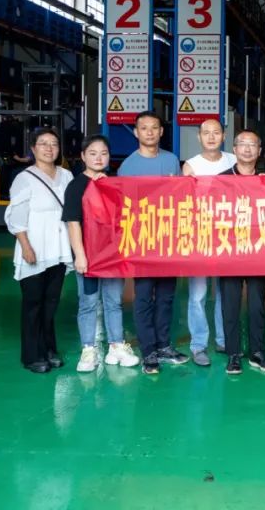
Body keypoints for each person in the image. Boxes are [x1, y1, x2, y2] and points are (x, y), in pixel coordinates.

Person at [62, 134, 140, 373]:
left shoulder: (114, 184)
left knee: (114, 301)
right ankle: (89, 350)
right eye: (93, 153)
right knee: (88, 303)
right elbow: (73, 223)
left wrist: (107, 187)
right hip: (89, 258)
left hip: (112, 256)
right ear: (83, 156)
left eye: (103, 153)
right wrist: (80, 255)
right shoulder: (76, 186)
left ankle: (116, 346)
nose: (98, 158)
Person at [117, 111, 186, 375]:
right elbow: (124, 206)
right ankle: (148, 352)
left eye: (154, 127)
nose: (149, 132)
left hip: (168, 241)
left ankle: (164, 346)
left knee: (166, 297)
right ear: (136, 132)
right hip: (143, 242)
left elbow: (180, 198)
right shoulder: (128, 167)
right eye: (144, 128)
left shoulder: (171, 161)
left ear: (161, 132)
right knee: (144, 297)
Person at [4, 127, 74, 374]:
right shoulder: (24, 178)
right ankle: (32, 355)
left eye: (53, 143)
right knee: (33, 302)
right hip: (34, 247)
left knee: (51, 302)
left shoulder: (66, 175)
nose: (49, 148)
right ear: (33, 149)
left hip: (59, 247)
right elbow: (16, 216)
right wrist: (25, 246)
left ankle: (49, 349)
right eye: (43, 143)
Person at [219, 130, 265, 375]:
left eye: (252, 145)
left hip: (258, 253)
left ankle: (257, 352)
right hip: (229, 253)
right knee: (230, 306)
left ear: (259, 151)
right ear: (234, 149)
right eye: (242, 144)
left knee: (257, 305)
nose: (247, 149)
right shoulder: (220, 181)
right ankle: (233, 354)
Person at [181, 119, 235, 367]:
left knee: (225, 293)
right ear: (199, 137)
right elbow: (183, 201)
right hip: (200, 236)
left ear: (223, 136)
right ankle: (199, 345)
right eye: (206, 133)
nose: (211, 137)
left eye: (216, 132)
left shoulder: (233, 161)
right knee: (198, 295)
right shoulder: (191, 166)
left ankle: (223, 340)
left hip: (228, 236)